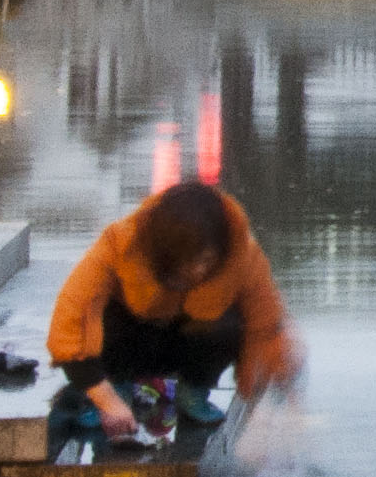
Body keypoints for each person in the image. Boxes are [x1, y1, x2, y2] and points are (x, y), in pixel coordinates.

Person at [46, 180, 300, 459]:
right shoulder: (120, 242)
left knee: (231, 325)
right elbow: (70, 323)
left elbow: (266, 324)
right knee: (109, 319)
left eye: (207, 259)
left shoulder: (242, 254)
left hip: (190, 346)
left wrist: (273, 384)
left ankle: (193, 391)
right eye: (190, 261)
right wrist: (104, 397)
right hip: (128, 343)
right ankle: (119, 386)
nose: (199, 270)